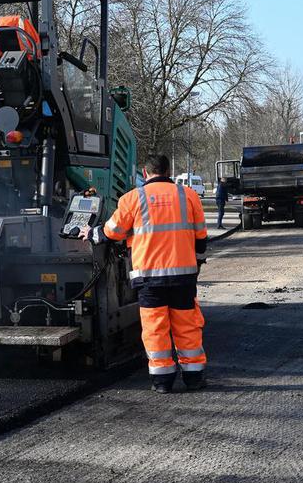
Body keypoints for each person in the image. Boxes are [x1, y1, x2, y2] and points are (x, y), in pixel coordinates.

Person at [82, 155, 209, 393]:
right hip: (183, 277)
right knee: (187, 326)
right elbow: (201, 238)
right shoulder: (188, 195)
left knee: (155, 328)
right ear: (168, 170)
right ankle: (194, 377)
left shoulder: (132, 198)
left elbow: (113, 232)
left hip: (150, 279)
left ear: (145, 171)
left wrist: (91, 233)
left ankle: (162, 381)